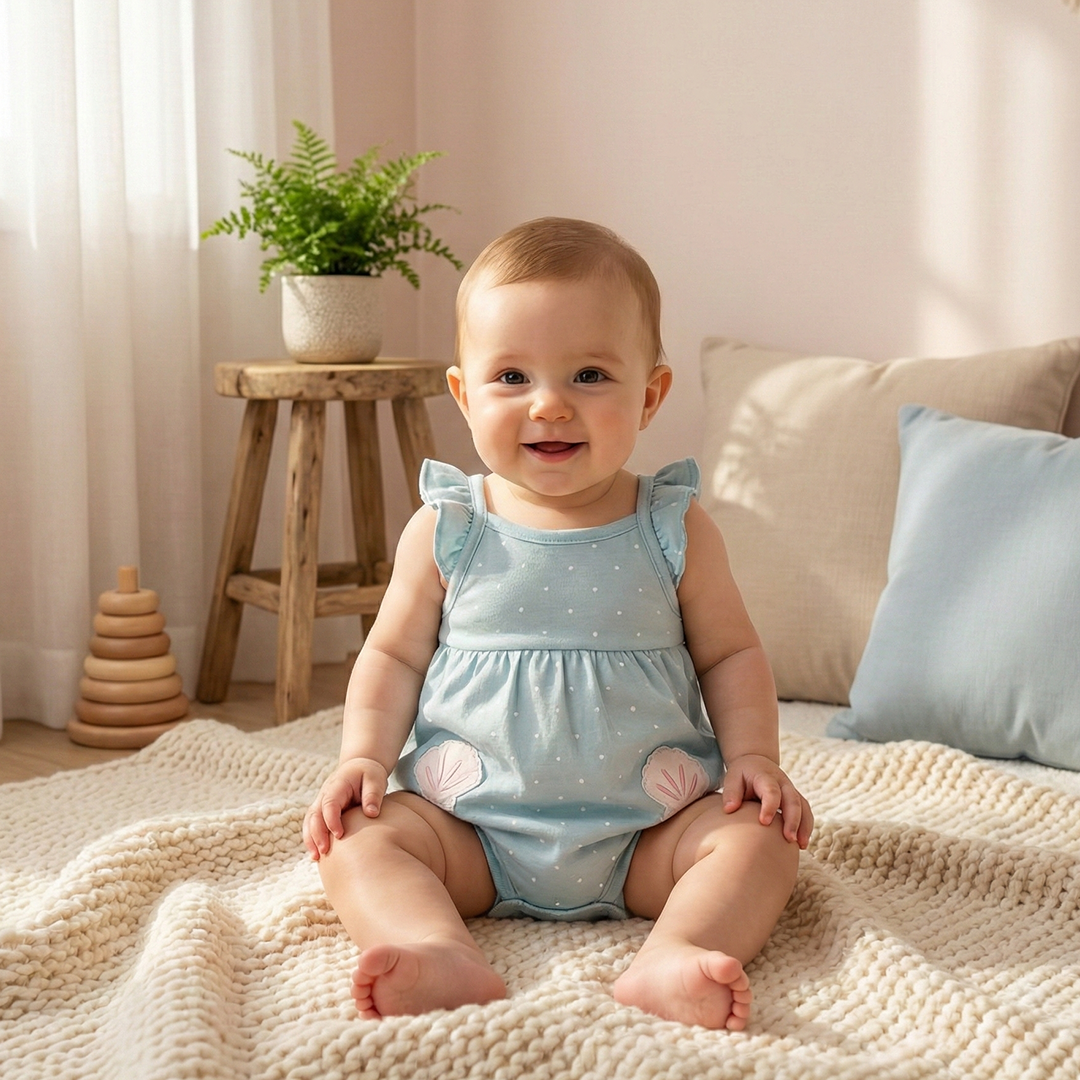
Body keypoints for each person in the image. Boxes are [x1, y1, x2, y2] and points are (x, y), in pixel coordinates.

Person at [303, 217, 813, 1031]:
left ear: (649, 395)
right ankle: (434, 946)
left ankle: (676, 951)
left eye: (588, 374)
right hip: (469, 831)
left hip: (649, 834)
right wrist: (362, 757)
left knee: (763, 840)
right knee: (357, 837)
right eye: (511, 376)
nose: (548, 404)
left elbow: (731, 654)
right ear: (464, 395)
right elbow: (393, 655)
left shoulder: (672, 526)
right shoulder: (449, 527)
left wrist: (754, 758)